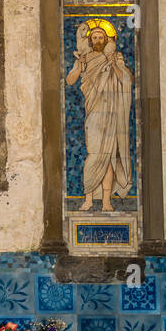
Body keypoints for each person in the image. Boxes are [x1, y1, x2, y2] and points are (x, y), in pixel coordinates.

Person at [66, 19, 133, 212]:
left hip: (111, 113)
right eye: (94, 36)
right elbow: (70, 81)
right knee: (94, 155)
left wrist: (115, 65)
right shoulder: (84, 59)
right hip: (93, 112)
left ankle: (105, 202)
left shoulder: (114, 57)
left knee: (108, 157)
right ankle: (88, 199)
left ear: (106, 39)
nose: (97, 39)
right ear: (89, 40)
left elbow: (127, 81)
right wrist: (79, 65)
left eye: (100, 36)